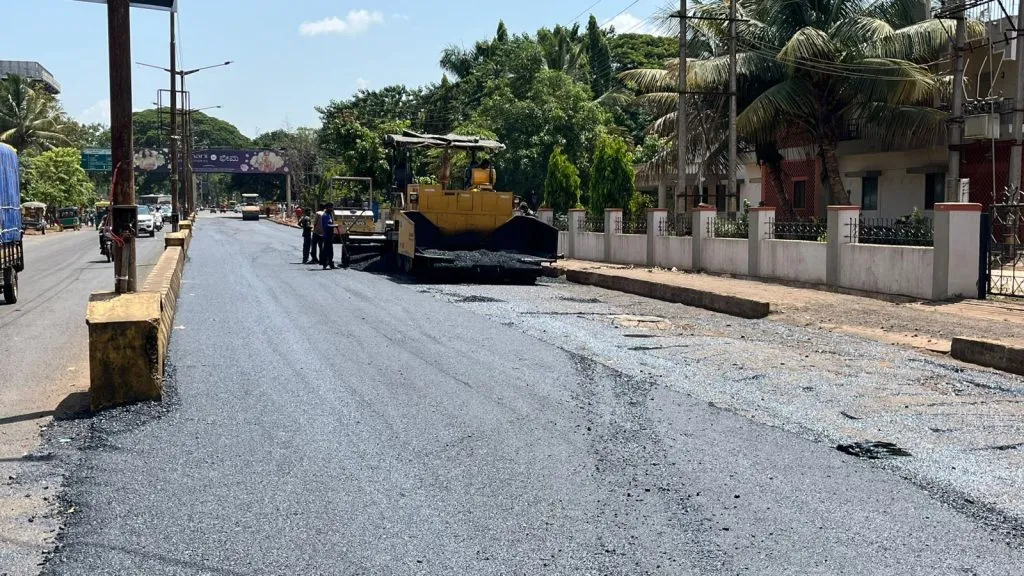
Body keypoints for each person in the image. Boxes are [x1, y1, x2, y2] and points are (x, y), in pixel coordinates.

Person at [320, 202, 336, 270]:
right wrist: (335, 226)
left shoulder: (330, 215)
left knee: (330, 251)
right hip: (327, 235)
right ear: (327, 208)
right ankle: (325, 263)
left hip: (330, 235)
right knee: (327, 250)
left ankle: (330, 263)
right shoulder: (325, 215)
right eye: (330, 207)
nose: (332, 209)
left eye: (332, 207)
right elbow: (326, 225)